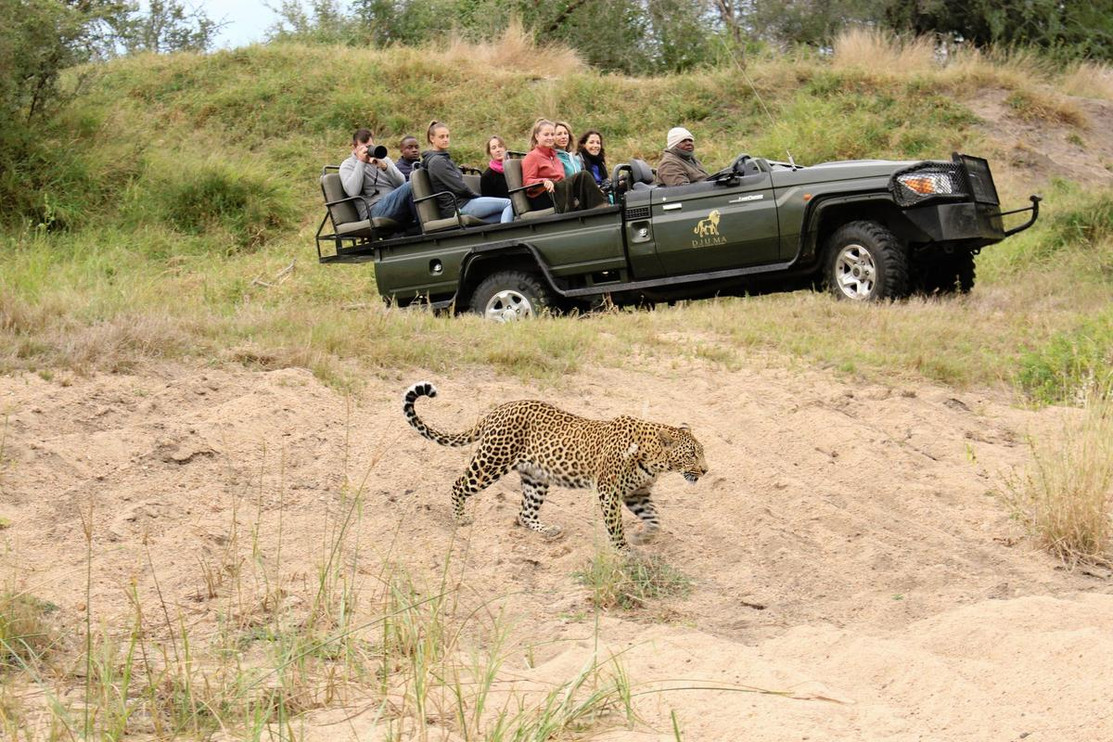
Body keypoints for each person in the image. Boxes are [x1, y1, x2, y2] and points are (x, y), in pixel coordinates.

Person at [421, 121, 514, 224]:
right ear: (432, 138)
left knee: (503, 214)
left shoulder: (444, 159)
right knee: (509, 204)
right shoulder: (437, 162)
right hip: (458, 206)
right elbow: (459, 187)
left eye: (447, 136)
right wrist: (477, 196)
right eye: (441, 137)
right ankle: (505, 234)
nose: (446, 139)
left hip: (463, 202)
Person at [521, 118, 609, 214]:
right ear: (537, 136)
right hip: (545, 197)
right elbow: (527, 183)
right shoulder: (532, 156)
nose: (550, 138)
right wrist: (544, 181)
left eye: (552, 134)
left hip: (560, 192)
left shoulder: (554, 156)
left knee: (585, 182)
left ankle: (598, 209)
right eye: (546, 135)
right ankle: (602, 210)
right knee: (583, 176)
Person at [339, 128, 414, 225]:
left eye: (370, 147)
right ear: (354, 148)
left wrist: (384, 167)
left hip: (393, 202)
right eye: (364, 148)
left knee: (415, 185)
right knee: (412, 185)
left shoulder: (383, 159)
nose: (368, 151)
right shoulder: (348, 165)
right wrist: (361, 162)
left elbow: (401, 183)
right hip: (373, 211)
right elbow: (352, 192)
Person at [480, 135, 510, 199]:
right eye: (494, 148)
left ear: (505, 149)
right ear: (490, 152)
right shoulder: (487, 176)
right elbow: (488, 202)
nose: (498, 150)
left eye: (500, 146)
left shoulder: (514, 168)